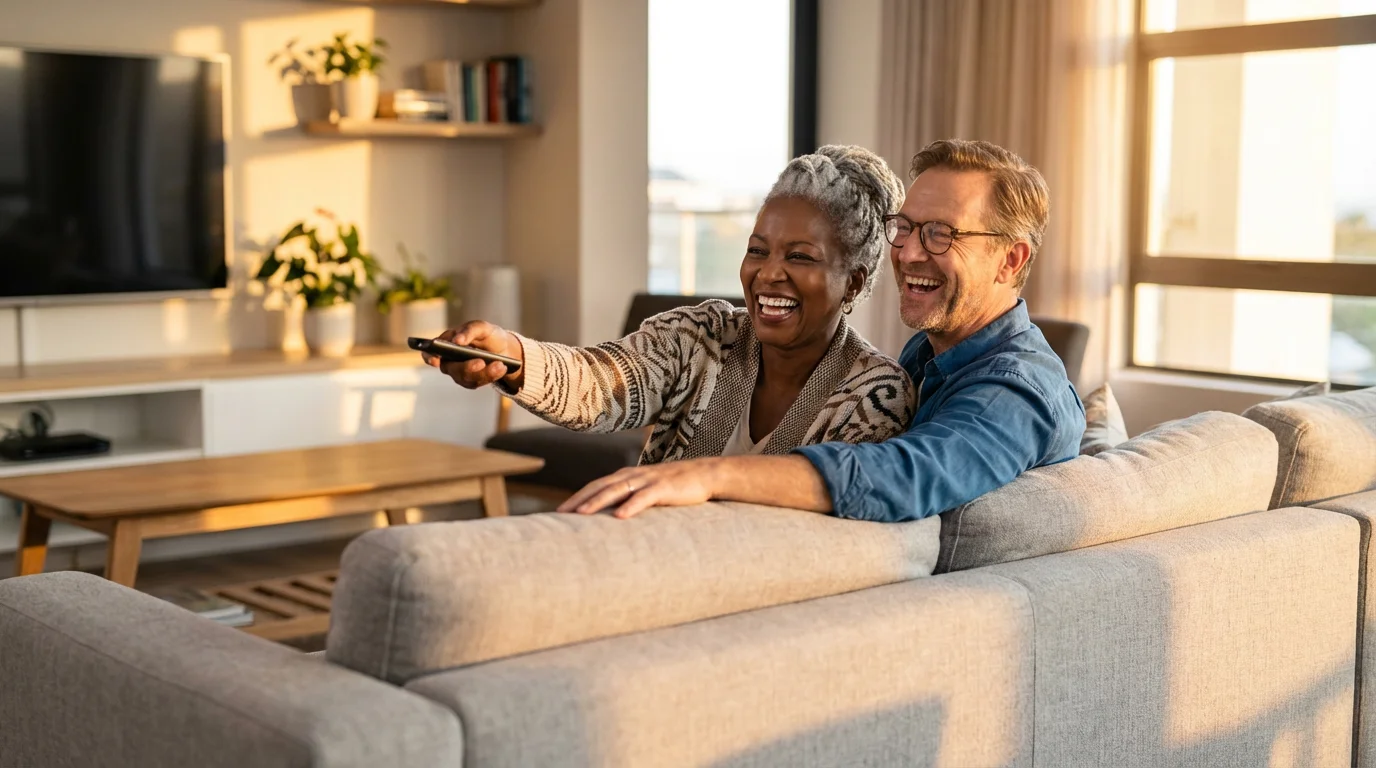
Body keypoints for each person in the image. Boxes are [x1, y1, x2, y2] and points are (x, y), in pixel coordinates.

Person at [560, 138, 1086, 522]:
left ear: (1010, 260)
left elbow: (906, 476)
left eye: (940, 235)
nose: (906, 252)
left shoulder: (1013, 390)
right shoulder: (930, 357)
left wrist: (709, 474)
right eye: (903, 228)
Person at [425, 144, 915, 464]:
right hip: (654, 568)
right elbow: (599, 382)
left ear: (853, 283)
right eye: (757, 249)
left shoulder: (877, 395)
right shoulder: (701, 333)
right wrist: (511, 356)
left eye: (800, 256)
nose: (767, 272)